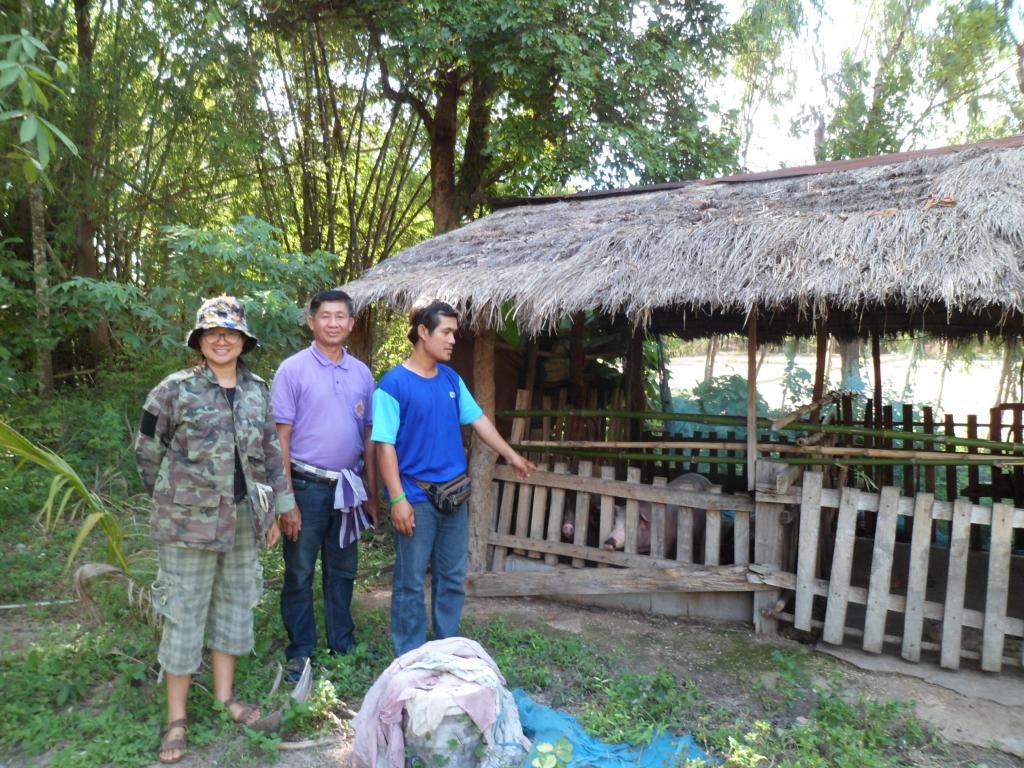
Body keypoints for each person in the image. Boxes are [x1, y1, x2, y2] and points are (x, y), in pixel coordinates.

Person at [135, 295, 295, 764]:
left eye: (230, 333)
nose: (221, 340)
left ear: (243, 341)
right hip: (187, 525)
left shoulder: (257, 390)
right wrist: (172, 500)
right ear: (200, 340)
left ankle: (226, 698)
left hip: (243, 520)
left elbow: (270, 453)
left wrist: (279, 507)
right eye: (212, 333)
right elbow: (147, 450)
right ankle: (177, 719)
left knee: (234, 608)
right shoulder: (175, 389)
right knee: (183, 614)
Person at [372, 300, 536, 655]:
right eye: (446, 332)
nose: (452, 340)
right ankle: (411, 655)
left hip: (453, 496)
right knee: (411, 580)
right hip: (416, 496)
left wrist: (511, 455)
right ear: (423, 332)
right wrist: (397, 499)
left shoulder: (450, 379)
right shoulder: (393, 385)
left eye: (454, 333)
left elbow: (479, 421)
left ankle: (447, 647)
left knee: (451, 577)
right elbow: (384, 446)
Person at [271, 289, 378, 681]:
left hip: (349, 488)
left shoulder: (362, 373)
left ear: (351, 323)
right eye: (325, 316)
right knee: (299, 571)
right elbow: (281, 438)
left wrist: (372, 493)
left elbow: (368, 437)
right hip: (306, 486)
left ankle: (342, 642)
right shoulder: (292, 370)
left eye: (340, 316)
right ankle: (301, 650)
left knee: (343, 568)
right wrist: (286, 499)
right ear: (311, 321)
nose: (333, 323)